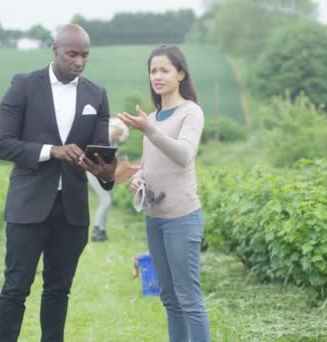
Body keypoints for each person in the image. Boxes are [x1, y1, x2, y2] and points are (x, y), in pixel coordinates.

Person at [0, 24, 117, 342]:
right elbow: (2, 144)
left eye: (85, 56)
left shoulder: (95, 95)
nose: (79, 62)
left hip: (72, 211)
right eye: (72, 54)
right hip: (28, 207)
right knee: (15, 288)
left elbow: (100, 154)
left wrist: (105, 172)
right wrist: (52, 151)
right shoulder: (23, 86)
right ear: (55, 50)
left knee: (59, 291)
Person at [117, 44, 210, 342]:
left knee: (189, 298)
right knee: (169, 297)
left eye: (164, 70)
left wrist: (149, 130)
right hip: (154, 218)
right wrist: (138, 178)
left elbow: (184, 155)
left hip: (182, 218)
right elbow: (150, 164)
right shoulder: (154, 117)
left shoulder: (190, 112)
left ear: (180, 74)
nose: (157, 76)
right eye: (153, 70)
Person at [88, 118, 129, 241]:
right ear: (115, 131)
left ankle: (102, 231)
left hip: (104, 174)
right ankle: (96, 230)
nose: (119, 138)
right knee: (106, 201)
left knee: (107, 200)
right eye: (119, 135)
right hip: (94, 172)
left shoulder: (113, 142)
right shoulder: (102, 140)